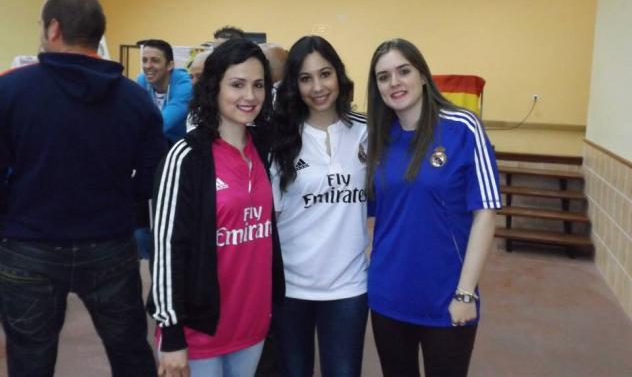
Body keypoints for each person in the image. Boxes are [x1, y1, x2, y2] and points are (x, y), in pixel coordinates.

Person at [0, 0, 164, 376]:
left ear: (54, 28)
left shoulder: (9, 90)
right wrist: (122, 204)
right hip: (110, 241)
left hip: (28, 244)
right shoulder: (135, 98)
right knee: (131, 355)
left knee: (30, 361)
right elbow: (153, 177)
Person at [148, 38, 285, 377]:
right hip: (199, 332)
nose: (250, 96)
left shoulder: (264, 150)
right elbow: (166, 249)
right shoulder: (186, 157)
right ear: (214, 88)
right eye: (237, 84)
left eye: (258, 85)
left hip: (252, 326)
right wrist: (171, 332)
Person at [365, 38, 501, 377]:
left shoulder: (462, 127)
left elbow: (486, 214)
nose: (394, 82)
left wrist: (465, 294)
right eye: (383, 77)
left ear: (423, 76)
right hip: (388, 298)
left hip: (447, 298)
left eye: (404, 71)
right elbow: (372, 214)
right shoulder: (376, 138)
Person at [270, 35, 369, 376]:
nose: (317, 87)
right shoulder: (280, 139)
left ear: (338, 75)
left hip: (348, 286)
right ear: (294, 85)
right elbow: (272, 216)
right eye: (305, 78)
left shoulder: (367, 133)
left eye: (325, 74)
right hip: (290, 287)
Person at [137, 38, 193, 145]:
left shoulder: (184, 84)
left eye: (155, 60)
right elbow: (135, 113)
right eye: (144, 60)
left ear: (169, 65)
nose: (148, 66)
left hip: (180, 145)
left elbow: (164, 122)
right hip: (155, 142)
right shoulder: (142, 80)